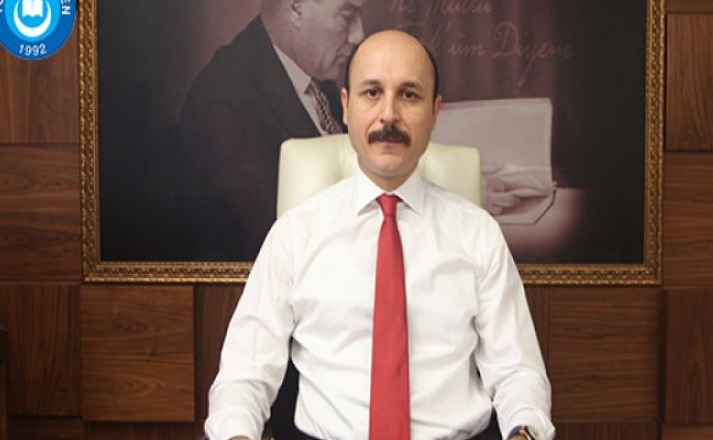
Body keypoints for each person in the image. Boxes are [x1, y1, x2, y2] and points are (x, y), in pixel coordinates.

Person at [206, 30, 555, 440]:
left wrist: (525, 431)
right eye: (372, 93)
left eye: (409, 95)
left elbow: (518, 374)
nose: (389, 115)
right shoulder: (295, 235)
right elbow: (243, 379)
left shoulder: (479, 236)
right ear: (345, 107)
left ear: (435, 112)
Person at [172, 0, 366, 260]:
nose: (359, 34)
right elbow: (282, 244)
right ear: (297, 9)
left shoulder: (318, 79)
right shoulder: (223, 100)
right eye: (347, 15)